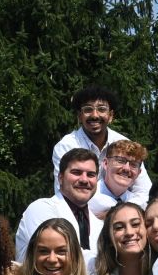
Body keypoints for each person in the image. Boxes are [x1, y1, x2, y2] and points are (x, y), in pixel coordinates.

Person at [51, 85, 150, 213]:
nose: (95, 115)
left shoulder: (123, 144)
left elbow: (145, 190)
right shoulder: (67, 146)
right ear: (79, 116)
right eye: (88, 110)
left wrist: (119, 213)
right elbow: (67, 192)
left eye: (102, 109)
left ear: (111, 116)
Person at [16, 148, 103, 259]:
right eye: (76, 172)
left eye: (91, 174)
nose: (84, 180)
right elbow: (65, 256)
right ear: (60, 178)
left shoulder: (100, 226)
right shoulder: (40, 209)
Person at [95, 139, 149, 214]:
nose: (126, 168)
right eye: (120, 161)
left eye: (133, 164)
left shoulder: (141, 206)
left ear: (139, 173)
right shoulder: (88, 199)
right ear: (106, 163)